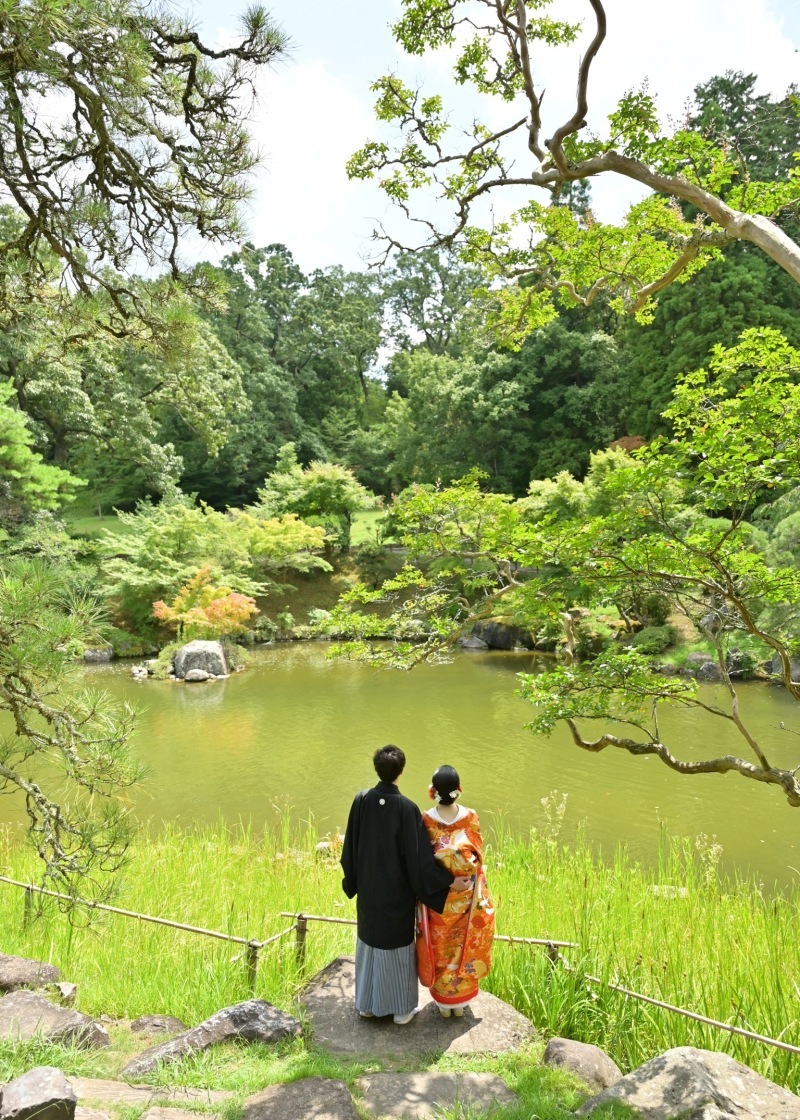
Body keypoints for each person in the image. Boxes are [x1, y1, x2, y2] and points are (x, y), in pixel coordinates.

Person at [341, 745, 473, 1025]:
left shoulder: (361, 800)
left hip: (368, 891)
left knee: (369, 942)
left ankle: (367, 1004)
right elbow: (419, 863)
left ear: (377, 769)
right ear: (401, 772)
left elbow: (349, 846)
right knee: (397, 947)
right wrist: (449, 882)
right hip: (397, 896)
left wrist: (352, 880)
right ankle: (400, 1010)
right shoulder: (407, 809)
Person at [420, 764, 495, 1017]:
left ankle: (444, 1004)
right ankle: (460, 1004)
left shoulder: (426, 819)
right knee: (464, 944)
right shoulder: (470, 816)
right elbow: (478, 854)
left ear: (433, 791)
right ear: (458, 791)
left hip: (441, 896)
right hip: (468, 893)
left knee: (442, 947)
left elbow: (424, 862)